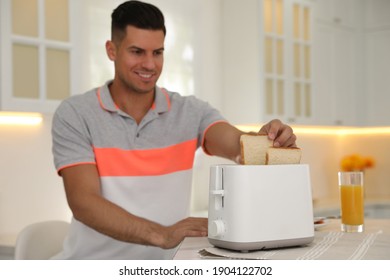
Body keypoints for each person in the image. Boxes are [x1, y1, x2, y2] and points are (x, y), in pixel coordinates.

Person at [51, 0, 297, 260]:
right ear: (112, 50)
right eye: (137, 51)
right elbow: (83, 202)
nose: (149, 64)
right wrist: (162, 234)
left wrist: (270, 141)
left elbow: (238, 146)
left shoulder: (189, 111)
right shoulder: (76, 114)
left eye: (157, 52)